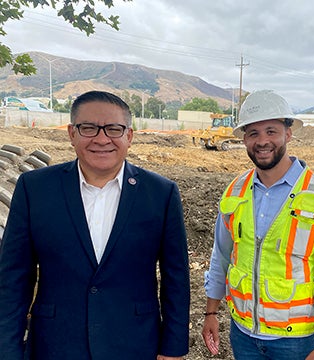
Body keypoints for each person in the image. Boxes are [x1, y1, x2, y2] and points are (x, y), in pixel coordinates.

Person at [0, 91, 190, 360]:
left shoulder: (161, 193)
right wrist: (8, 350)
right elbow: (12, 279)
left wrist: (172, 349)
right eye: (89, 128)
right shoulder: (35, 188)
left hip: (135, 344)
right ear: (71, 133)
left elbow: (176, 278)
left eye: (114, 129)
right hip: (55, 345)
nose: (102, 139)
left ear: (129, 136)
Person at [201, 90, 314, 360]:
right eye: (253, 133)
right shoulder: (235, 191)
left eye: (271, 131)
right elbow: (221, 256)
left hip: (297, 341)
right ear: (245, 139)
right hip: (243, 334)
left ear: (288, 133)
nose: (262, 142)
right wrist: (211, 312)